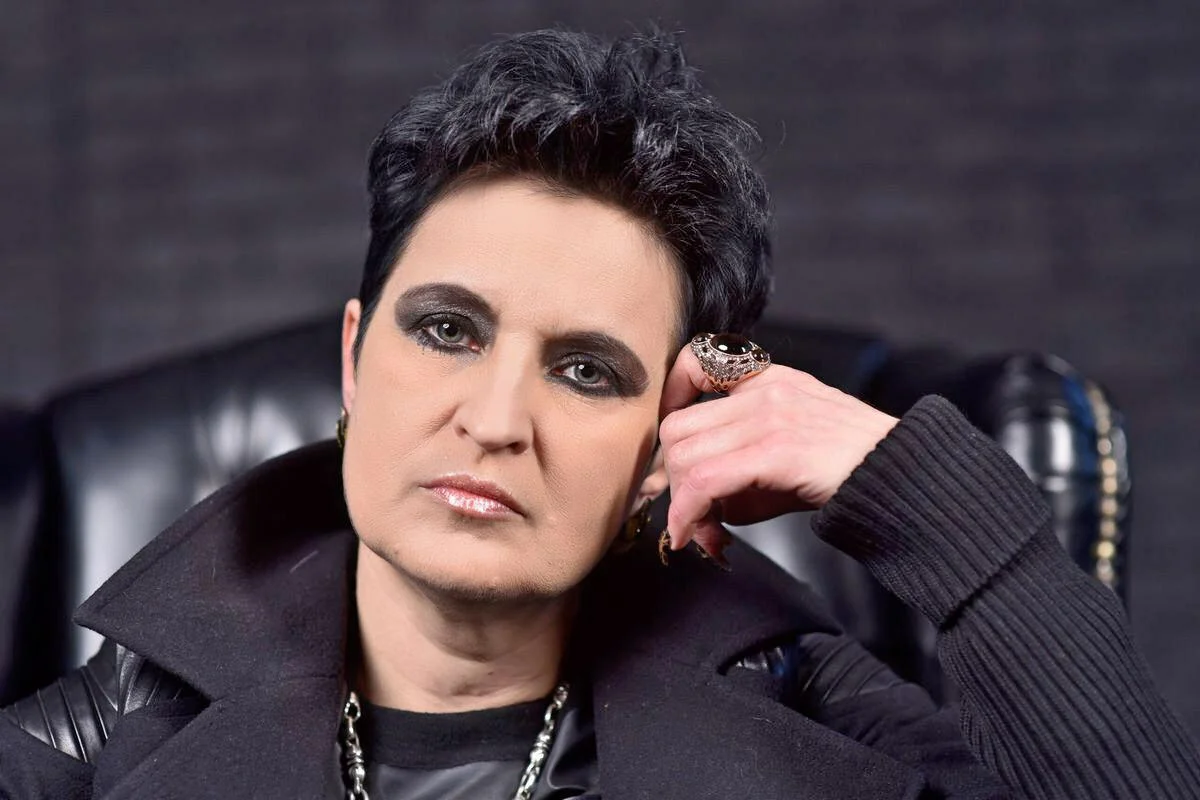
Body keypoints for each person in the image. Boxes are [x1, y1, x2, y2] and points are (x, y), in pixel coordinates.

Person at [2, 28, 1198, 800]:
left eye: (585, 370)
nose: (496, 419)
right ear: (358, 359)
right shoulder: (126, 714)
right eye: (449, 330)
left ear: (669, 430)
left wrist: (921, 497)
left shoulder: (804, 704)